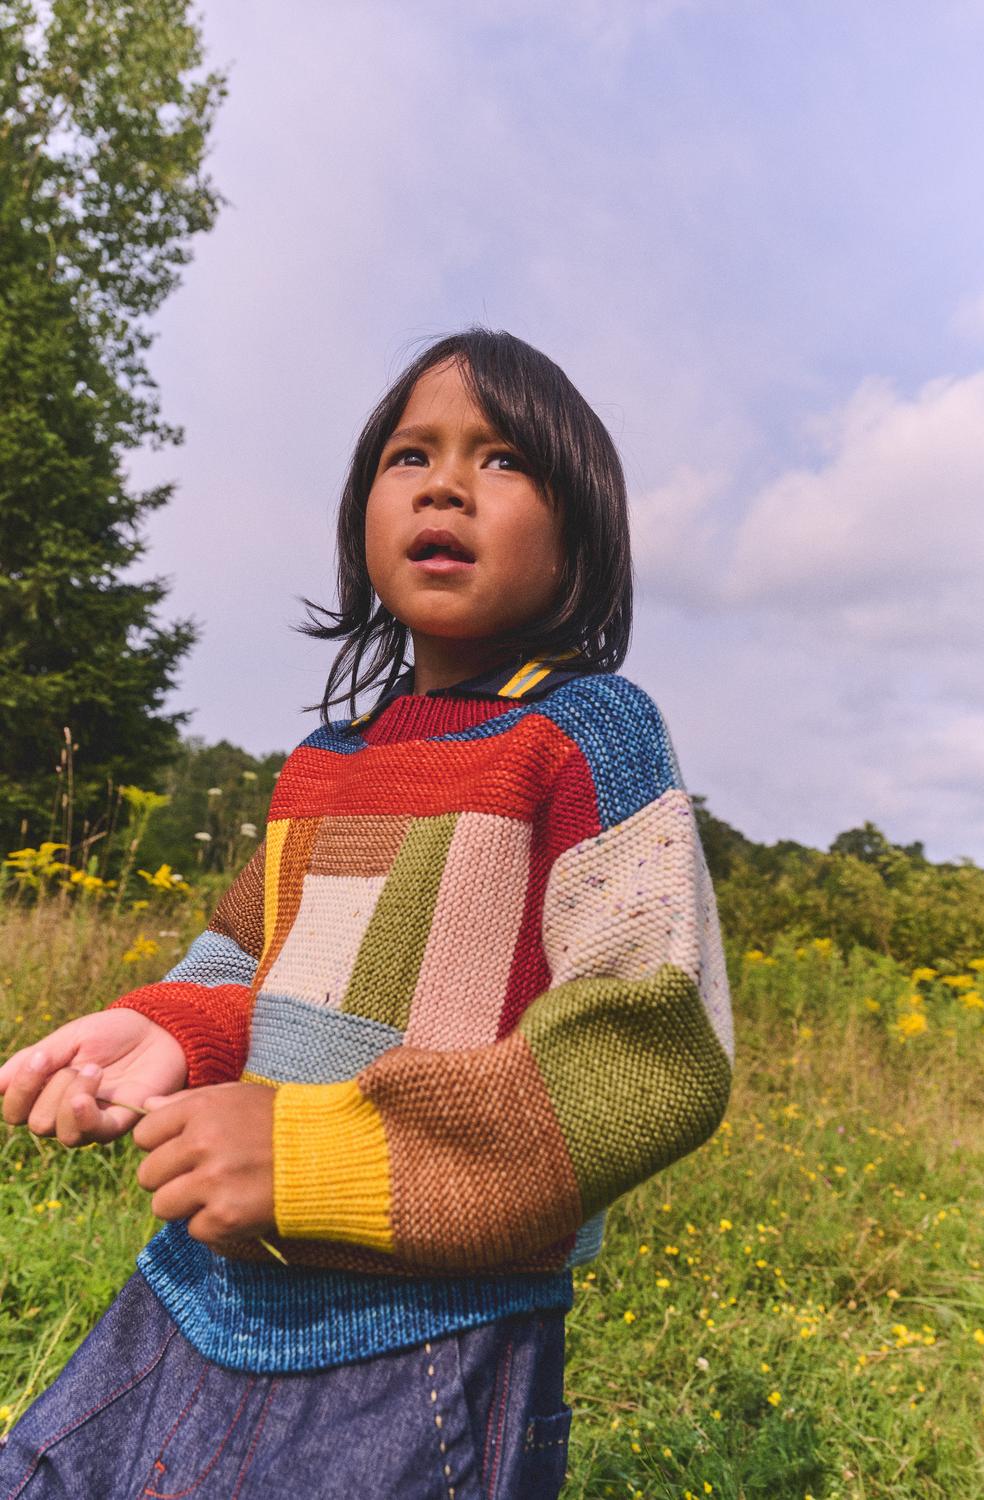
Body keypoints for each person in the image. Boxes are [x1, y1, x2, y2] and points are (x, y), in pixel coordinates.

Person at [0, 328, 734, 1499]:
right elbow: (245, 961)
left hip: (424, 1349)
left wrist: (318, 1156)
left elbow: (651, 1044)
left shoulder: (588, 735)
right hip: (190, 1297)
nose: (445, 481)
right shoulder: (324, 761)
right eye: (410, 455)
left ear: (583, 530)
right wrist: (170, 1033)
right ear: (362, 518)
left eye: (501, 460)